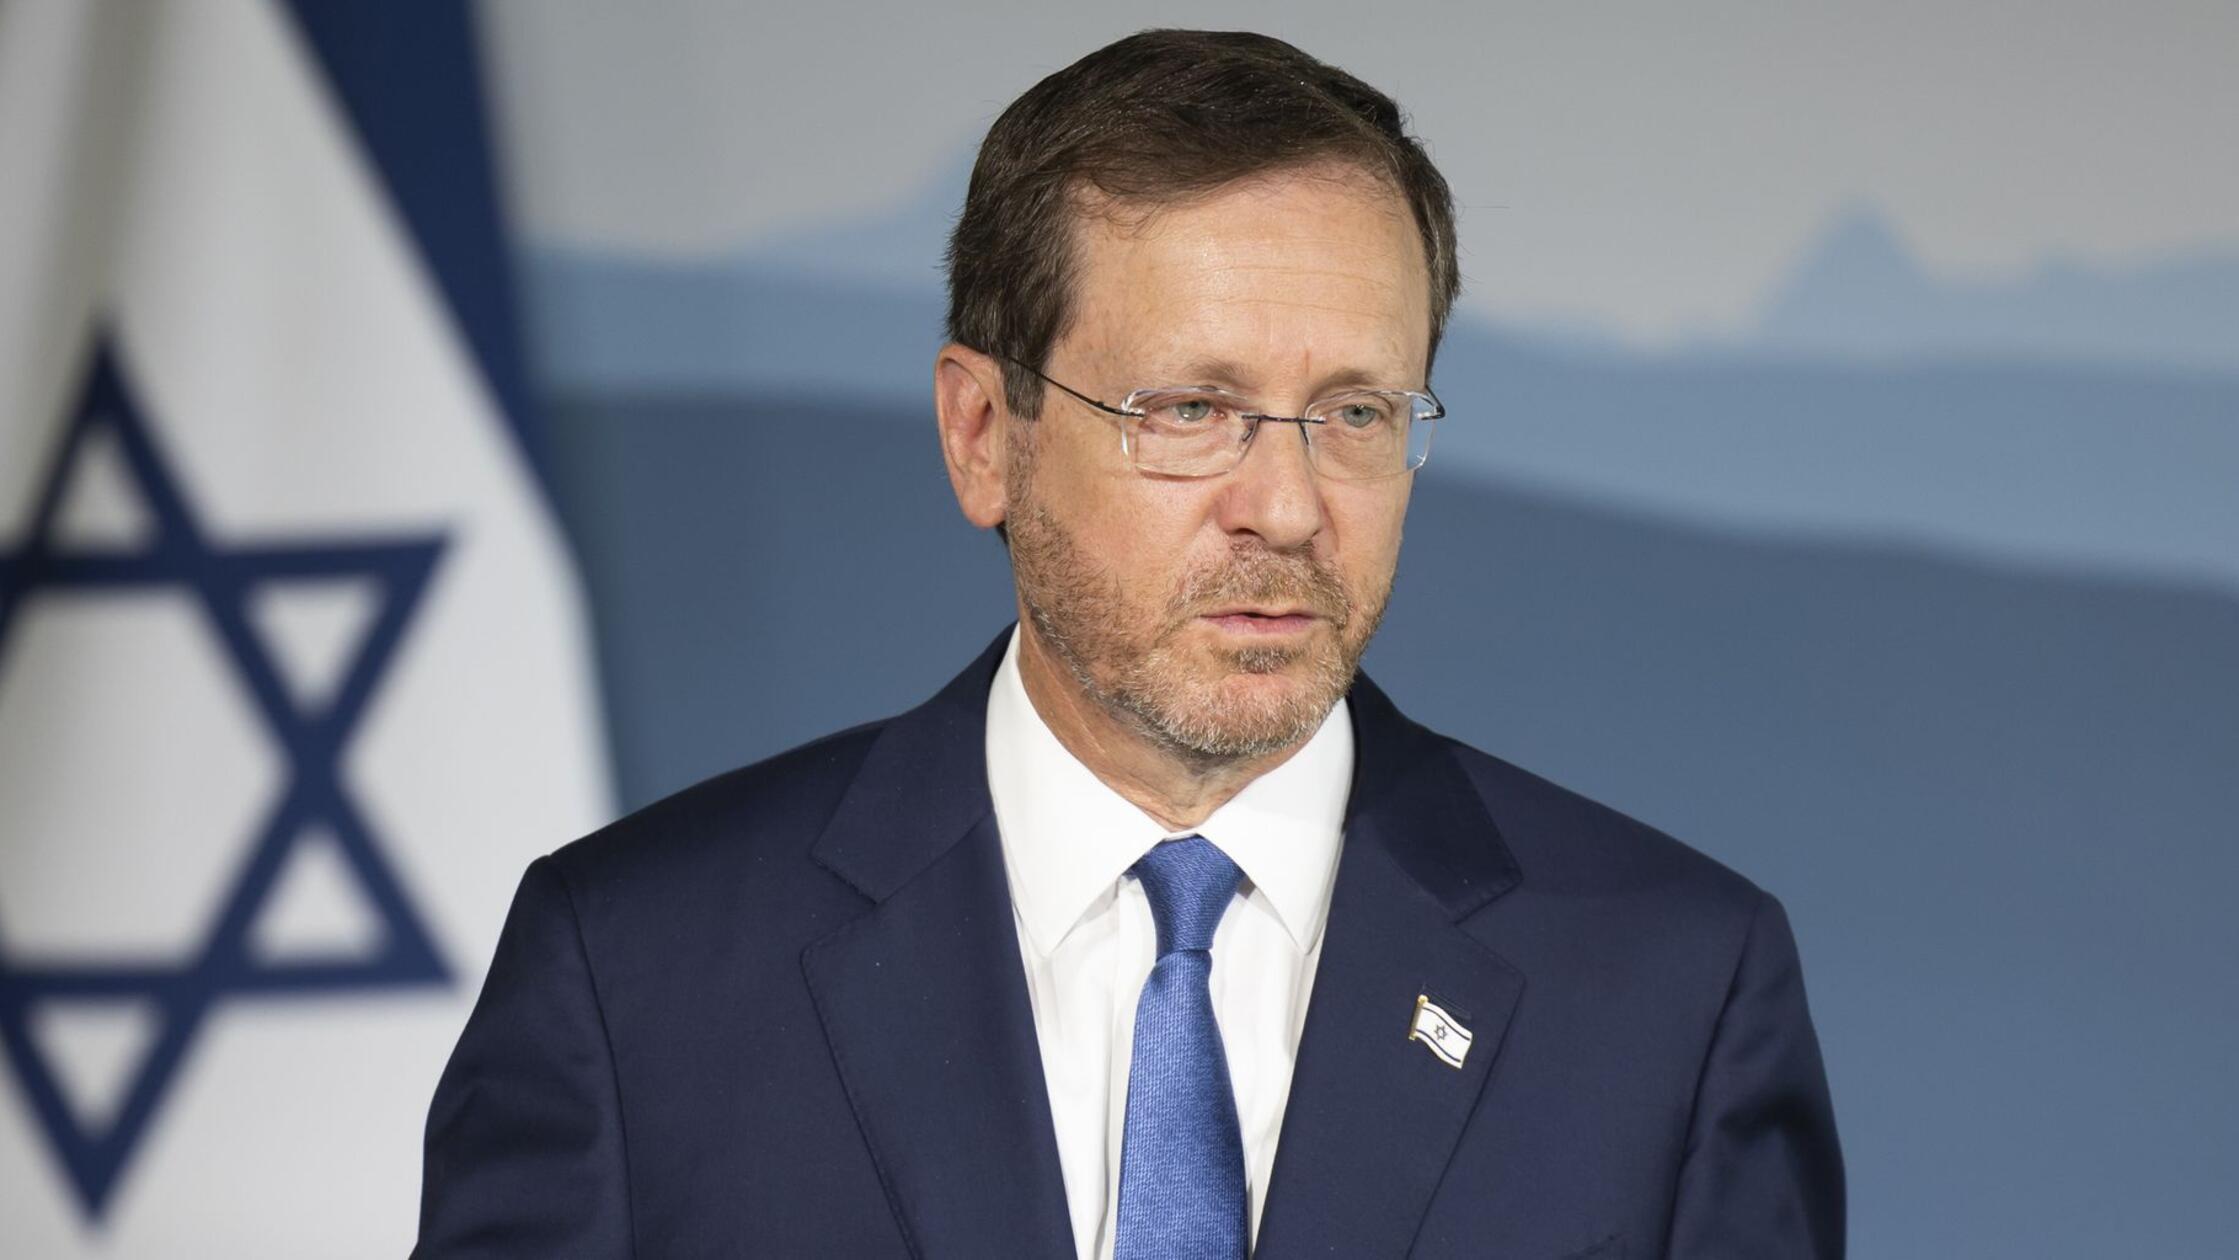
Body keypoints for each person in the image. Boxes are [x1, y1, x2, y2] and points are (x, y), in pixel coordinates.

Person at [413, 28, 1843, 1259]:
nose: (1287, 507)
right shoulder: (638, 977)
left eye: (1355, 413)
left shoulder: (1672, 992)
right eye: (1190, 411)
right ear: (985, 435)